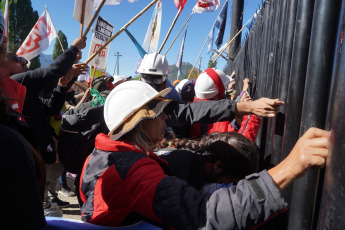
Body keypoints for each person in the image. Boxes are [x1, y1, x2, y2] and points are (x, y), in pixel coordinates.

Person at [80, 80, 329, 229]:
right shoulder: (134, 171)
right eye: (158, 111)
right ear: (138, 122)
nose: (167, 116)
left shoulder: (100, 154)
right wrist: (290, 167)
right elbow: (203, 215)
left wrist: (243, 106)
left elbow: (188, 112)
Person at [137, 52, 284, 139]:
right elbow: (241, 145)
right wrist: (252, 113)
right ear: (165, 83)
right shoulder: (183, 110)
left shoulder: (127, 103)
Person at [157, 131, 260, 192]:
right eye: (230, 179)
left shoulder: (193, 163)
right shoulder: (181, 179)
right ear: (218, 166)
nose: (227, 183)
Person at [190, 68, 262, 142]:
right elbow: (240, 146)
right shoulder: (216, 122)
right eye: (224, 89)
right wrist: (251, 114)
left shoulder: (191, 110)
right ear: (217, 94)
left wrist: (236, 123)